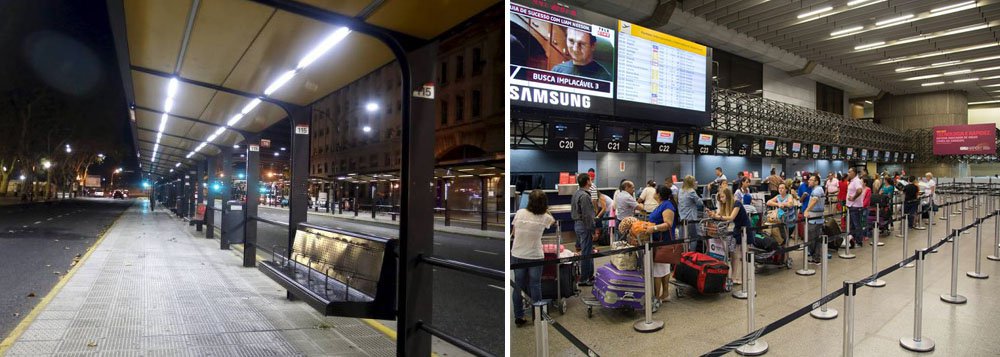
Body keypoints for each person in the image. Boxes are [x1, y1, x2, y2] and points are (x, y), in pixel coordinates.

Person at [511, 190, 556, 327]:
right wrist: (546, 210)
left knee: (518, 286)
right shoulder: (545, 217)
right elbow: (553, 221)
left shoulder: (520, 213)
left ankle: (519, 316)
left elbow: (513, 232)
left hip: (518, 253)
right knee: (535, 285)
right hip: (535, 255)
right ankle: (537, 316)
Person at [644, 184, 679, 309]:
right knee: (663, 268)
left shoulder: (667, 205)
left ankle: (658, 296)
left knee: (658, 270)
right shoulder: (663, 204)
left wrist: (653, 228)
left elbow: (668, 224)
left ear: (658, 194)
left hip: (662, 241)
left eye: (655, 191)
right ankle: (664, 294)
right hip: (660, 241)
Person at [708, 186, 751, 285]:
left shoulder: (737, 203)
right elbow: (720, 214)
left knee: (738, 255)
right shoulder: (725, 205)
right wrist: (713, 214)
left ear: (728, 196)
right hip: (735, 231)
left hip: (743, 231)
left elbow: (731, 217)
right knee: (733, 255)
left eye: (722, 197)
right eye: (720, 197)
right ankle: (734, 277)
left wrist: (718, 216)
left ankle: (738, 278)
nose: (721, 199)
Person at [571, 173, 597, 285]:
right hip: (585, 226)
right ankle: (584, 279)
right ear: (587, 182)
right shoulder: (585, 196)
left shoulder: (576, 193)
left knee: (587, 251)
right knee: (586, 253)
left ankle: (589, 276)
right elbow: (588, 216)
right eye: (590, 180)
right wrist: (592, 230)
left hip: (577, 224)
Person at [678, 175, 704, 250]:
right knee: (693, 237)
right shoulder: (691, 191)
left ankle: (683, 253)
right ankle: (691, 254)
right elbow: (700, 203)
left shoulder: (680, 191)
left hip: (682, 217)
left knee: (682, 237)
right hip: (690, 218)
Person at [805, 175, 826, 263]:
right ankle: (816, 257)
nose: (809, 181)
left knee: (812, 239)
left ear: (816, 182)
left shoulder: (817, 190)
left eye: (811, 180)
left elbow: (814, 200)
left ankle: (815, 256)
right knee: (817, 239)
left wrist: (807, 210)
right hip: (817, 218)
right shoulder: (818, 189)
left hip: (814, 219)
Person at [846, 168, 865, 247]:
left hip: (855, 206)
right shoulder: (853, 181)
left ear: (854, 172)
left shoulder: (856, 181)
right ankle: (853, 241)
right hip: (852, 206)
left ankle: (859, 241)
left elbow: (859, 190)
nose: (848, 173)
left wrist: (853, 198)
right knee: (853, 225)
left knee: (857, 224)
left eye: (849, 172)